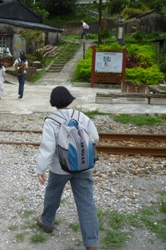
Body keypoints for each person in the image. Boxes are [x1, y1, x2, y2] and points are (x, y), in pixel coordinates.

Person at [35, 86, 99, 250]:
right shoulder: (81, 116)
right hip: (83, 166)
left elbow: (47, 148)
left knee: (53, 193)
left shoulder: (51, 121)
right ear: (70, 99)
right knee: (86, 203)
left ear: (53, 102)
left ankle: (47, 221)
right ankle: (91, 244)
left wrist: (40, 170)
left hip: (60, 168)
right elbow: (95, 137)